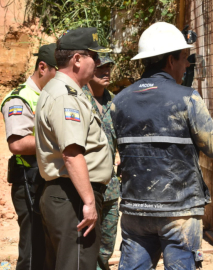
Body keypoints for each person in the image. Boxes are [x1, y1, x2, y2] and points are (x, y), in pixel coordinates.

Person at [111, 22, 213, 270]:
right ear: (170, 61)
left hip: (135, 211)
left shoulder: (119, 101)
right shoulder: (187, 98)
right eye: (184, 58)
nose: (187, 64)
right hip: (179, 212)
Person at [34, 28, 113, 270]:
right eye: (94, 57)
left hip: (68, 194)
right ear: (77, 59)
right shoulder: (66, 96)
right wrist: (89, 202)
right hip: (73, 197)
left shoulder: (65, 91)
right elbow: (71, 153)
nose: (99, 63)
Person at [0, 43, 57, 270]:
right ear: (42, 68)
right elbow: (17, 144)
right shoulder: (20, 98)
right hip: (29, 180)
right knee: (32, 250)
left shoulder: (51, 95)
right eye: (57, 73)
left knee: (49, 246)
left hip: (47, 178)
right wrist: (61, 143)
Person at [82, 55, 120, 270]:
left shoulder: (115, 103)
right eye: (100, 68)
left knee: (106, 246)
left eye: (108, 68)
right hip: (86, 185)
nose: (106, 72)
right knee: (86, 245)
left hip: (111, 187)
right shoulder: (79, 100)